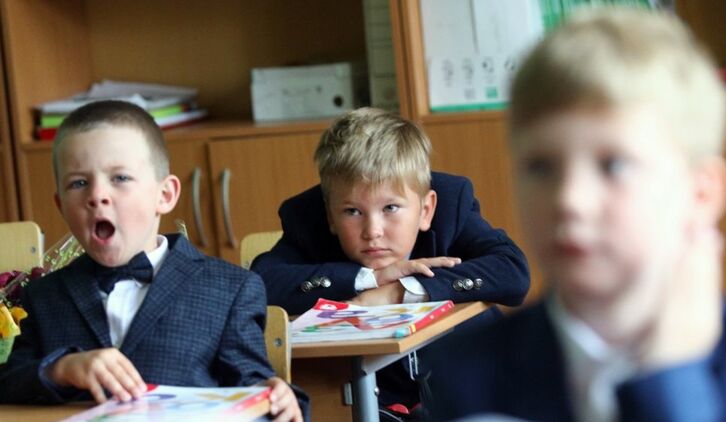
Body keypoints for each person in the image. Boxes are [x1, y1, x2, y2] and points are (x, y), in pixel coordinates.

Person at [427, 7, 726, 422]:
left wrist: (670, 378)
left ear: (700, 194)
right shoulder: (465, 371)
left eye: (613, 165)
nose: (569, 199)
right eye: (541, 166)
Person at [0, 100, 306, 421]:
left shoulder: (230, 289)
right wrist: (61, 369)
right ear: (61, 205)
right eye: (79, 183)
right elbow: (9, 384)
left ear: (165, 195)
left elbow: (254, 384)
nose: (97, 195)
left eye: (120, 178)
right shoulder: (43, 295)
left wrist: (280, 397)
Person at [251, 107, 530, 411]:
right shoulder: (307, 217)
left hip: (474, 382)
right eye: (352, 211)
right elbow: (259, 284)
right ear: (330, 215)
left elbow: (512, 270)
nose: (373, 231)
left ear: (425, 210)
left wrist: (399, 291)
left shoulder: (451, 205)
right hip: (372, 399)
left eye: (390, 208)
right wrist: (369, 279)